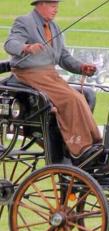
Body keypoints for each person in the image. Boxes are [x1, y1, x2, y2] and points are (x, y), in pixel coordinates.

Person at [4, 0, 102, 164]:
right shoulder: (24, 22)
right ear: (40, 4)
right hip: (29, 75)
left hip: (49, 75)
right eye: (52, 5)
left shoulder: (55, 27)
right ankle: (80, 149)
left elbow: (64, 57)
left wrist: (81, 67)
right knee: (72, 99)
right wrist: (26, 48)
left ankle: (94, 142)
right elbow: (10, 44)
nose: (55, 9)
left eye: (56, 5)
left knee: (82, 97)